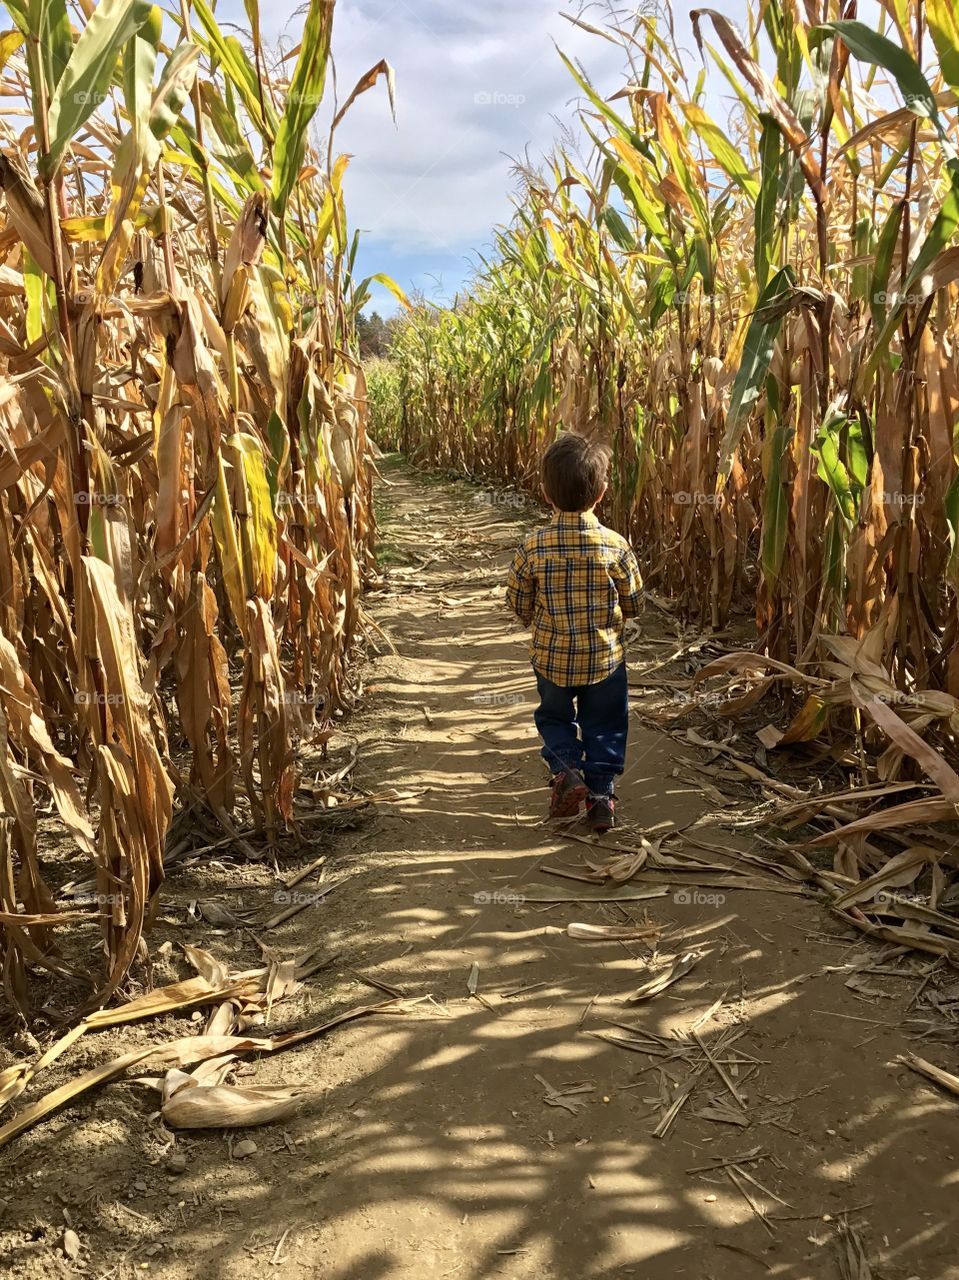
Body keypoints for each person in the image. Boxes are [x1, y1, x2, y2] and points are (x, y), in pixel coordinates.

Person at [506, 432, 643, 831]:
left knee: (554, 716)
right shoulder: (614, 546)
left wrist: (536, 620)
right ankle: (601, 798)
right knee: (607, 725)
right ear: (601, 492)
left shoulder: (532, 546)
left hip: (551, 658)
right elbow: (634, 602)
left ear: (546, 493)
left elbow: (517, 602)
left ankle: (566, 771)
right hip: (604, 659)